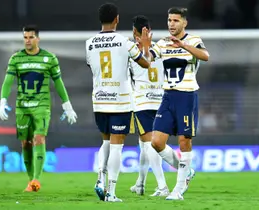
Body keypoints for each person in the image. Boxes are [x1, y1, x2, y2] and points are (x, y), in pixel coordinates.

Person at [0, 25, 78, 192]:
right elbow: (7, 82)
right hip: (22, 107)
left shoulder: (49, 58)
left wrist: (67, 105)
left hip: (41, 106)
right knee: (25, 143)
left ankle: (36, 179)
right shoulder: (16, 59)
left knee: (39, 138)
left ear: (38, 39)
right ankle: (30, 180)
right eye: (25, 37)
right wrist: (3, 101)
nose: (27, 40)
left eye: (31, 37)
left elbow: (58, 83)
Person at [85, 3, 151, 202]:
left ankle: (99, 179)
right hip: (120, 100)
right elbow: (145, 63)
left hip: (99, 100)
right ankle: (111, 192)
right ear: (117, 19)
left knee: (105, 141)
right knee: (116, 146)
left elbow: (91, 66)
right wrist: (146, 45)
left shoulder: (89, 43)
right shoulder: (125, 42)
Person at [143, 7, 210, 200]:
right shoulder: (163, 43)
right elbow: (147, 61)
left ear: (184, 23)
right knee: (156, 142)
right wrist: (146, 47)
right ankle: (186, 170)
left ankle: (178, 190)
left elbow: (205, 56)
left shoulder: (194, 40)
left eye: (175, 20)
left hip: (187, 96)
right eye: (169, 20)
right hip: (168, 96)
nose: (171, 24)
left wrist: (183, 45)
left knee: (184, 141)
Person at [128, 15, 169, 197]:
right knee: (144, 144)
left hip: (142, 102)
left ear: (135, 32)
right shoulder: (160, 49)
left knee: (148, 145)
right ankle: (140, 183)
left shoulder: (132, 52)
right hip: (160, 101)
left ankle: (163, 186)